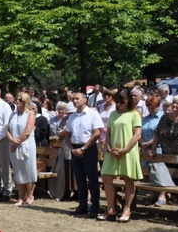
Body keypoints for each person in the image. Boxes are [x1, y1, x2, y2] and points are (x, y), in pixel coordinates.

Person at [98, 87, 143, 223]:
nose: (119, 104)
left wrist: (125, 149)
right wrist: (110, 148)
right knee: (106, 177)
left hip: (128, 151)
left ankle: (127, 209)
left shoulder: (135, 114)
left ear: (128, 100)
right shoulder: (113, 114)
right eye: (117, 101)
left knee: (127, 179)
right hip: (113, 151)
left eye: (122, 102)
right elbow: (109, 133)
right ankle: (111, 208)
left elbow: (137, 135)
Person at [64, 92, 104, 218]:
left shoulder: (93, 114)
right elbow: (67, 134)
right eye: (73, 99)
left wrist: (83, 148)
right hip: (76, 149)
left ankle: (95, 207)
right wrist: (72, 148)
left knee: (92, 180)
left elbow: (97, 133)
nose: (74, 101)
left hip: (89, 149)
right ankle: (82, 205)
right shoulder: (72, 117)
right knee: (80, 180)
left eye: (77, 98)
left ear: (85, 100)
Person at [6, 93, 37, 207]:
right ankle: (20, 196)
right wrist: (12, 141)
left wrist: (16, 143)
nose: (18, 101)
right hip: (14, 145)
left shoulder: (30, 114)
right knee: (18, 171)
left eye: (21, 100)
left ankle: (30, 196)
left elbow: (27, 132)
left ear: (26, 102)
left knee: (28, 170)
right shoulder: (12, 115)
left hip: (26, 146)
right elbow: (8, 129)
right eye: (17, 99)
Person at [139, 95, 165, 205]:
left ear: (158, 106)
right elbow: (139, 132)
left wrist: (150, 143)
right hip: (145, 149)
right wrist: (142, 143)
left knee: (158, 173)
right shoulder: (145, 118)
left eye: (153, 107)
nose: (150, 110)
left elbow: (160, 134)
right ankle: (152, 195)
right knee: (148, 173)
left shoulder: (163, 118)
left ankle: (162, 195)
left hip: (158, 149)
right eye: (149, 107)